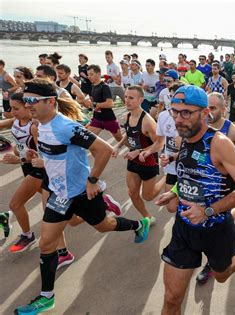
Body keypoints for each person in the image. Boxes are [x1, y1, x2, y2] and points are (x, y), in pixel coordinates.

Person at [14, 79, 150, 314]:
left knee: (104, 226)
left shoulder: (66, 127)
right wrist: (29, 159)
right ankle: (47, 297)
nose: (29, 105)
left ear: (50, 101)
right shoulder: (38, 127)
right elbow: (54, 157)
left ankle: (139, 224)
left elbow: (104, 151)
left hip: (82, 193)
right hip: (59, 193)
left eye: (32, 101)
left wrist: (92, 181)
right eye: (26, 101)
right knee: (46, 244)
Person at [155, 85, 235, 315]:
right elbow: (190, 176)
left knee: (221, 276)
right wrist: (173, 193)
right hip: (184, 229)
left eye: (186, 113)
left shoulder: (220, 143)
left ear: (204, 113)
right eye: (175, 111)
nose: (178, 119)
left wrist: (207, 211)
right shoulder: (184, 138)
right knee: (171, 299)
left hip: (216, 230)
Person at [0, 92, 44, 252]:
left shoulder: (34, 127)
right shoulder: (15, 121)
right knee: (58, 201)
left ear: (27, 107)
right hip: (26, 166)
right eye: (11, 108)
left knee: (16, 203)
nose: (12, 111)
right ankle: (98, 203)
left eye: (16, 108)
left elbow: (44, 157)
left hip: (37, 168)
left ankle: (27, 234)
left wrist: (18, 159)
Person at [112, 86, 160, 223]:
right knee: (132, 192)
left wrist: (139, 152)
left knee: (148, 196)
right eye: (126, 97)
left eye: (131, 98)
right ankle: (148, 217)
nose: (126, 100)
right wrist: (118, 145)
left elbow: (159, 144)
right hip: (133, 160)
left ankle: (168, 179)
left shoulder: (148, 122)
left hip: (148, 161)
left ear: (141, 100)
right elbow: (129, 133)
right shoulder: (128, 115)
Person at [85, 65, 122, 143]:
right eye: (88, 75)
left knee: (121, 141)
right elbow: (95, 105)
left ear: (98, 74)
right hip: (97, 119)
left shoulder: (104, 87)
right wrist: (89, 104)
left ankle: (135, 151)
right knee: (88, 140)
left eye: (91, 74)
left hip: (109, 119)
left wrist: (94, 104)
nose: (89, 77)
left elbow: (110, 104)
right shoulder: (93, 86)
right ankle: (100, 153)